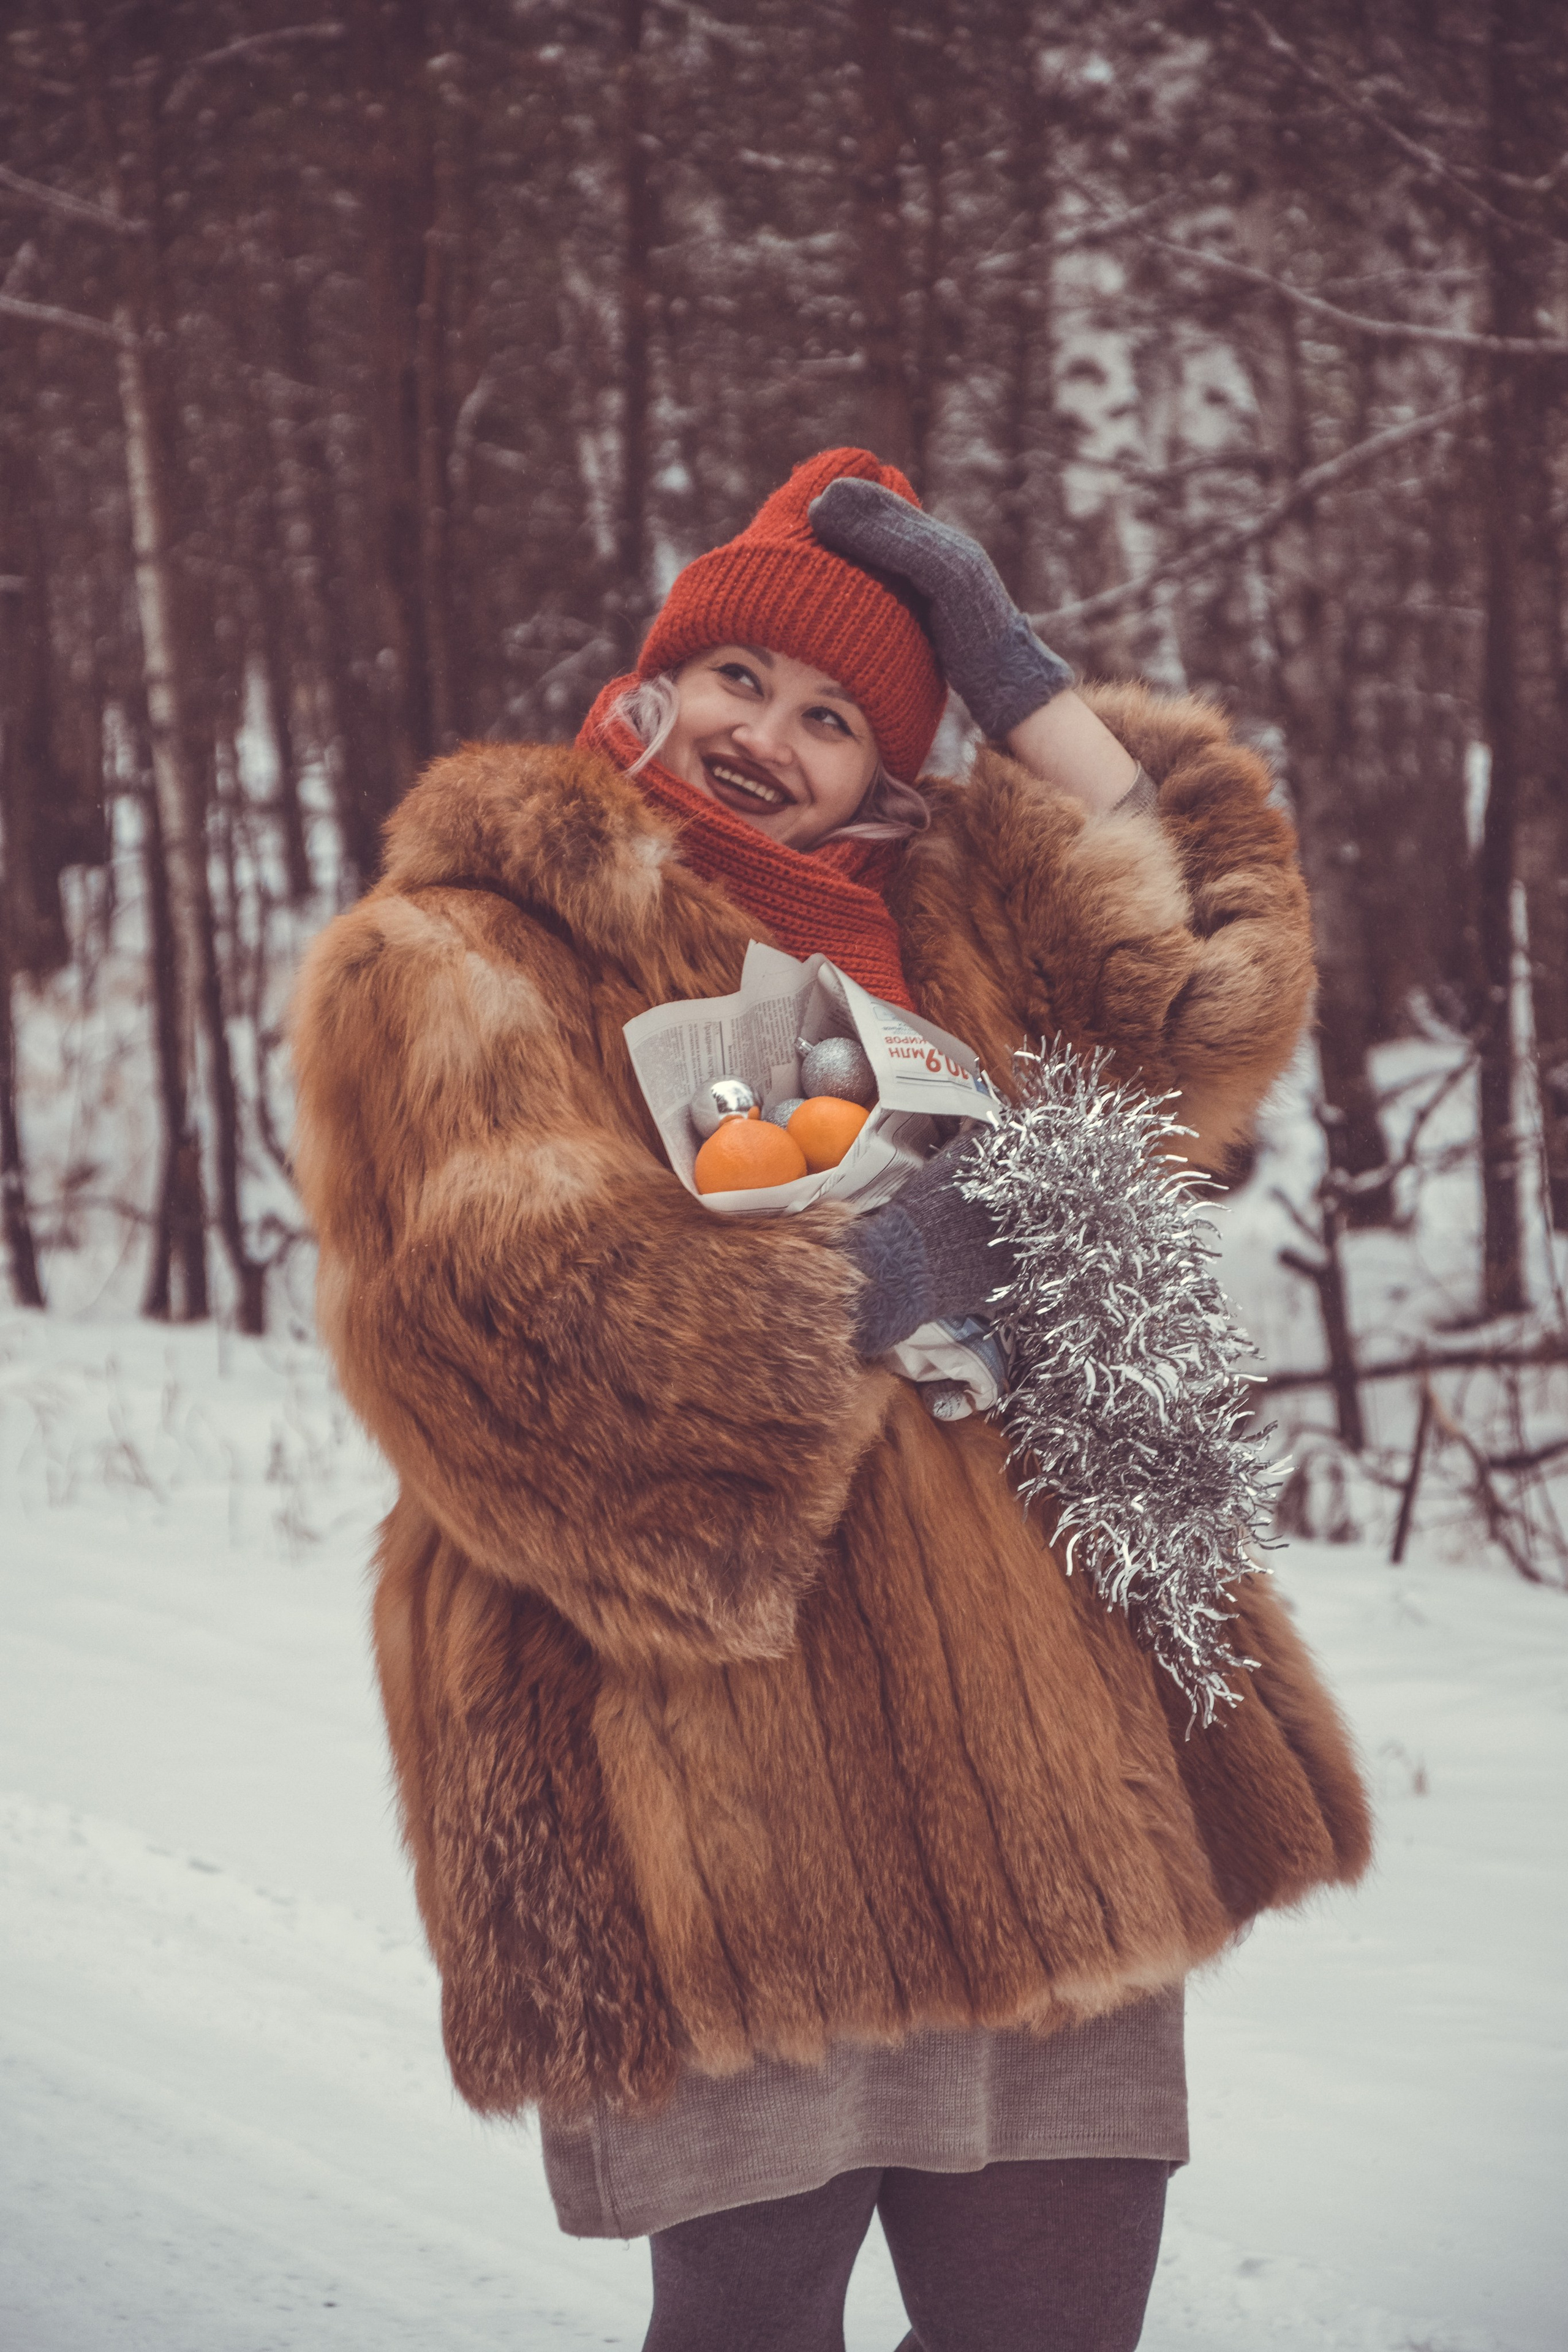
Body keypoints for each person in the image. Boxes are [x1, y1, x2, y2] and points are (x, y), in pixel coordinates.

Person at [290, 447, 1370, 2352]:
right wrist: (880, 1278)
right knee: (751, 2324)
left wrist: (1024, 687)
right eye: (738, 680)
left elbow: (1219, 995)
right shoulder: (468, 949)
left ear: (890, 765)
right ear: (655, 682)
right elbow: (484, 1341)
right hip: (721, 1783)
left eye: (834, 715)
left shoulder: (976, 917)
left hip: (1052, 1772)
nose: (767, 739)